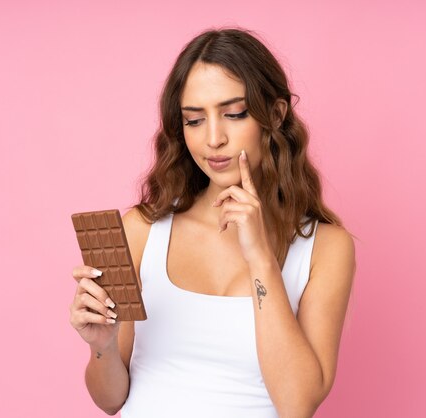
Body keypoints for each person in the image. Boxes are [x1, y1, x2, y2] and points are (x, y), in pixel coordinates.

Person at [69, 27, 356, 418]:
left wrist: (259, 259)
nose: (213, 139)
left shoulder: (325, 247)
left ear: (274, 114)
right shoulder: (140, 230)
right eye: (194, 120)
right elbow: (111, 400)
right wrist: (101, 344)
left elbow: (297, 404)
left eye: (234, 114)